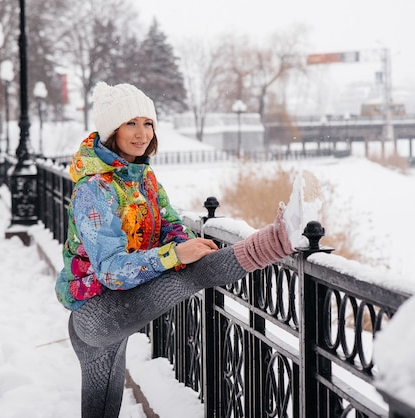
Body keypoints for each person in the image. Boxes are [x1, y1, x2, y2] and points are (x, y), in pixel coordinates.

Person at [55, 81, 295, 417]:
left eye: (148, 123)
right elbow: (110, 270)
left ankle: (275, 239)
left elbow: (170, 226)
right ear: (112, 131)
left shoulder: (144, 178)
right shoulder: (95, 189)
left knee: (101, 410)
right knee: (192, 274)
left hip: (116, 308)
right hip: (96, 313)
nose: (142, 133)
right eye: (131, 123)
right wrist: (175, 256)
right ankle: (277, 240)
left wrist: (185, 245)